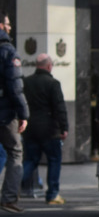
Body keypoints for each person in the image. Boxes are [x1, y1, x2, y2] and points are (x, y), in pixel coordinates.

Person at [21, 53, 68, 204]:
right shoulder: (53, 83)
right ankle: (53, 194)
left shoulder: (26, 82)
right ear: (49, 66)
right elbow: (59, 107)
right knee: (54, 161)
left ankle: (13, 188)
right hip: (49, 130)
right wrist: (64, 127)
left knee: (30, 161)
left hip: (31, 128)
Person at [0, 12, 30, 214]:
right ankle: (9, 198)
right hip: (4, 113)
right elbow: (15, 86)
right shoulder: (8, 51)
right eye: (7, 24)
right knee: (15, 151)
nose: (10, 27)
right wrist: (23, 114)